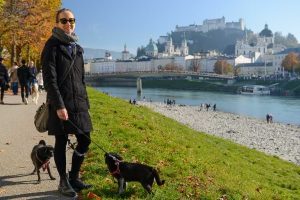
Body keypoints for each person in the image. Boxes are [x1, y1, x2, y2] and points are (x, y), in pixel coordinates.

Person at [41, 8, 92, 198]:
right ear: (57, 24)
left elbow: (81, 79)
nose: (68, 24)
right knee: (61, 142)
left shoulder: (78, 49)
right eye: (64, 21)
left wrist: (86, 103)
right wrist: (59, 106)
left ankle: (74, 176)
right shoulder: (51, 47)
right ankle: (63, 181)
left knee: (85, 140)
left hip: (79, 102)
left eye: (71, 20)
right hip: (61, 102)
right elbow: (50, 80)